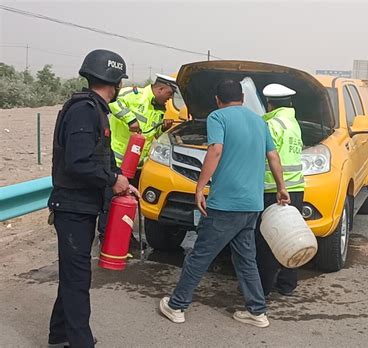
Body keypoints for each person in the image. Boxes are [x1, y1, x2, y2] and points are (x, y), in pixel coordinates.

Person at [159, 80, 290, 328]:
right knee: (245, 258)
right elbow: (273, 156)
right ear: (242, 97)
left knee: (200, 255)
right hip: (252, 203)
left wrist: (200, 187)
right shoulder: (259, 122)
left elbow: (215, 150)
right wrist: (282, 188)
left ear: (218, 100)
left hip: (226, 203)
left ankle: (177, 305)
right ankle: (257, 311)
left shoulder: (218, 117)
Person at [47, 49, 135, 348]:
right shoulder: (85, 110)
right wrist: (112, 180)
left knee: (73, 273)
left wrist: (122, 182)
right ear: (114, 81)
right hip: (73, 207)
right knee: (77, 279)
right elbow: (79, 161)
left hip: (82, 205)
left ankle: (59, 334)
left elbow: (103, 157)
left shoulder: (95, 109)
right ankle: (80, 342)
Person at [97, 74, 177, 242]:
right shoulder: (133, 94)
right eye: (169, 94)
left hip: (138, 165)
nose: (169, 99)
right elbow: (112, 103)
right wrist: (130, 119)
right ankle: (107, 237)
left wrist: (163, 128)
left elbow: (151, 134)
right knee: (110, 203)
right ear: (160, 89)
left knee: (129, 202)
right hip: (117, 162)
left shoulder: (159, 109)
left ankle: (124, 235)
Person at [256, 83, 305, 297]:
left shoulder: (271, 125)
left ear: (269, 104)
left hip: (273, 189)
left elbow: (268, 155)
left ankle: (263, 287)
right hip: (296, 187)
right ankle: (287, 284)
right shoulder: (293, 123)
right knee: (290, 236)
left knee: (267, 239)